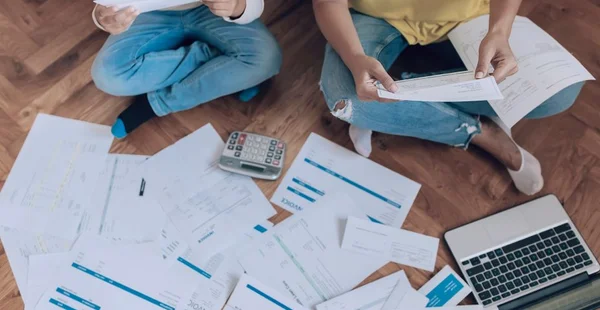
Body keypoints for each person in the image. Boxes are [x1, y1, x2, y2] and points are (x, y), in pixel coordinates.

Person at [313, 0, 584, 195]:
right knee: (347, 101)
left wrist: (500, 31)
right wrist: (356, 58)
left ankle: (395, 106)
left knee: (561, 92)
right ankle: (479, 131)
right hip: (374, 14)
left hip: (471, 16)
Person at [91, 0, 282, 139]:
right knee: (108, 75)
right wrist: (102, 17)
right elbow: (103, 8)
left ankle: (159, 103)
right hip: (145, 12)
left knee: (267, 58)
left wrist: (238, 7)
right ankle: (219, 61)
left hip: (210, 11)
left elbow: (255, 4)